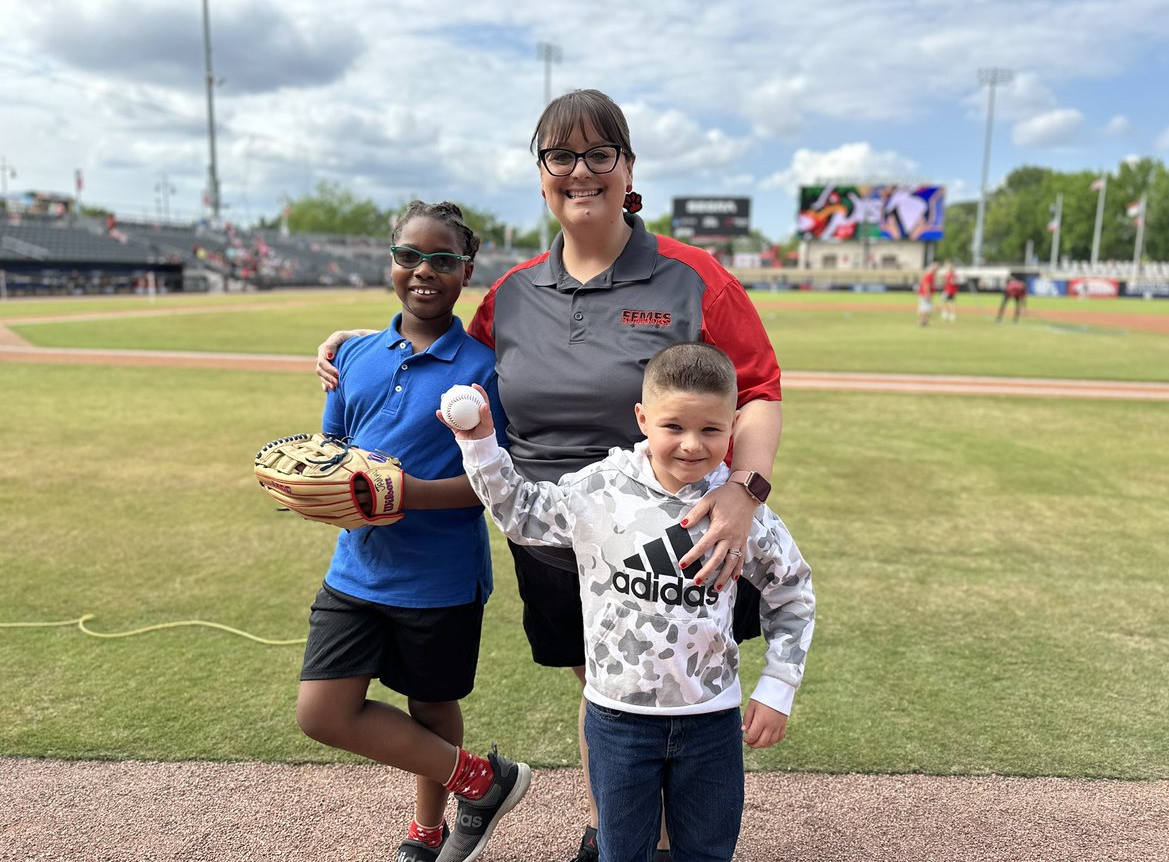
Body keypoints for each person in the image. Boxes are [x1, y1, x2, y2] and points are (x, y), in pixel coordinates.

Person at [317, 88, 783, 862]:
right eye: (561, 156)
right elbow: (444, 355)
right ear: (541, 174)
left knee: (676, 692)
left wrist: (745, 492)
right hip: (552, 536)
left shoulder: (694, 279)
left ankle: (667, 837)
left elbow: (760, 391)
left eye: (600, 154)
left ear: (628, 168)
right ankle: (617, 828)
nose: (581, 171)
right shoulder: (512, 295)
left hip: (682, 537)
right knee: (601, 687)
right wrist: (358, 344)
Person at [440, 342, 815, 862]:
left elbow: (791, 589)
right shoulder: (599, 489)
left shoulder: (737, 508)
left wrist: (778, 686)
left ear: (733, 428)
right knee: (621, 851)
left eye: (711, 430)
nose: (691, 444)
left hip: (711, 718)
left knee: (707, 851)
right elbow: (523, 514)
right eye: (674, 427)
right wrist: (480, 444)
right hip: (618, 720)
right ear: (642, 418)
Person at [296, 200, 530, 862]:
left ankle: (427, 832)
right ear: (391, 262)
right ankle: (483, 782)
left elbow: (497, 483)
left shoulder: (484, 368)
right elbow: (333, 454)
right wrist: (316, 490)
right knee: (322, 712)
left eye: (442, 260)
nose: (424, 271)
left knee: (431, 707)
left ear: (466, 271)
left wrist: (405, 493)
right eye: (410, 256)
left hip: (441, 578)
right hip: (356, 570)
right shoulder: (355, 355)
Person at [916, 261, 937, 327]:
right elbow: (926, 285)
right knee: (924, 308)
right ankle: (922, 321)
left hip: (925, 294)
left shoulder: (931, 275)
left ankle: (925, 321)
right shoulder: (929, 275)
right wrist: (928, 294)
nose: (936, 271)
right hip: (925, 294)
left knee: (927, 308)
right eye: (935, 269)